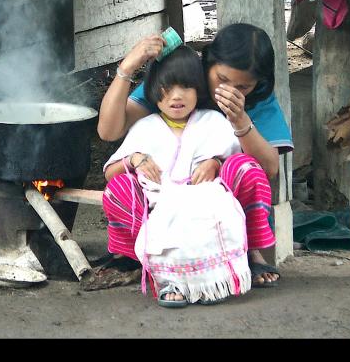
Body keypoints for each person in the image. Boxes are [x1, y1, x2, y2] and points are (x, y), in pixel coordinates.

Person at [98, 22, 291, 288]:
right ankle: (134, 256)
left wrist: (240, 121)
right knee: (120, 187)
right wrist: (127, 67)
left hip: (220, 203)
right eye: (222, 79)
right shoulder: (181, 80)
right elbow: (109, 131)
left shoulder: (258, 99)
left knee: (244, 166)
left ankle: (248, 253)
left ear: (257, 84)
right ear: (207, 64)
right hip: (165, 202)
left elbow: (268, 169)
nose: (230, 91)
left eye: (243, 87)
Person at [102, 47, 245, 306]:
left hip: (204, 204)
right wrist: (135, 159)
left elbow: (233, 156)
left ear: (199, 90)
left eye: (186, 87)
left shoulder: (212, 121)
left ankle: (209, 283)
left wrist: (214, 162)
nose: (176, 97)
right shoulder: (145, 127)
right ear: (153, 93)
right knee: (142, 206)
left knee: (209, 211)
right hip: (159, 206)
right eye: (166, 88)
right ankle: (169, 280)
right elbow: (111, 172)